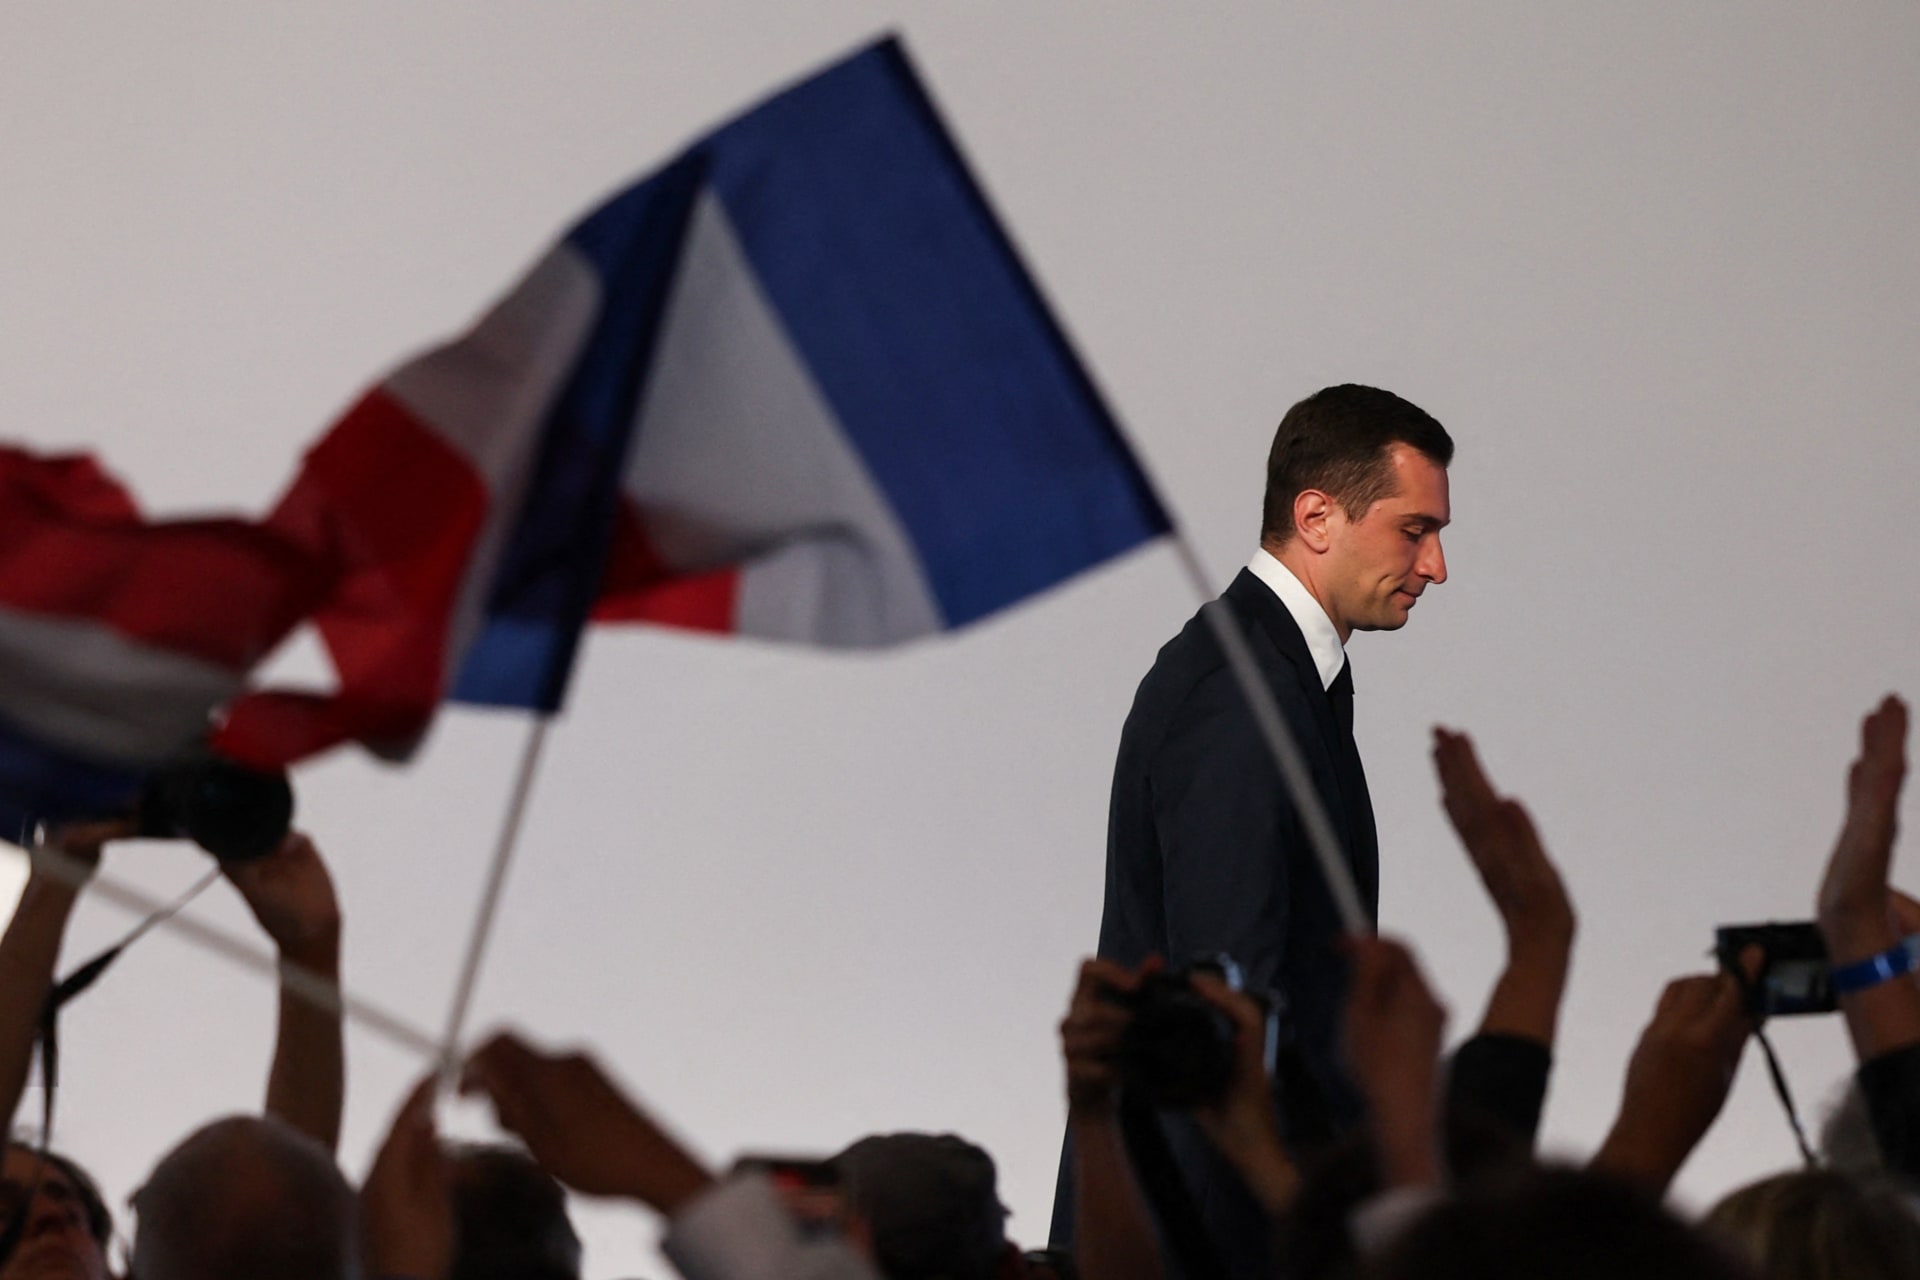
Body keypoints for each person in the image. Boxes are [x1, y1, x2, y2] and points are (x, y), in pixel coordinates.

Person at [1053, 384, 1453, 1277]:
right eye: (1415, 531)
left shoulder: (1271, 680)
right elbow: (1225, 1019)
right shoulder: (1241, 701)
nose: (1435, 567)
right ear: (1317, 516)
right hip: (1206, 1233)